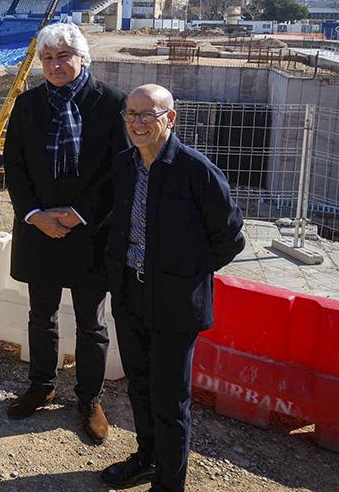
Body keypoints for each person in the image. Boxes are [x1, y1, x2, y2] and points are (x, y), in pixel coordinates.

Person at [99, 84, 245, 492]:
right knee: (139, 386)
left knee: (170, 399)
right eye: (131, 114)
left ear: (171, 119)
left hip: (175, 305)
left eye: (148, 114)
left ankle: (169, 483)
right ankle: (147, 458)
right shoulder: (125, 164)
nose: (137, 123)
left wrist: (186, 275)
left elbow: (231, 238)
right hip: (130, 295)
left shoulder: (197, 171)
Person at [2, 23, 127, 442]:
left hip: (90, 233)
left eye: (63, 57)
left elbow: (117, 169)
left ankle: (89, 398)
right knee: (42, 315)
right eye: (48, 58)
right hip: (40, 231)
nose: (55, 65)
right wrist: (35, 214)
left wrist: (79, 213)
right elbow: (14, 165)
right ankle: (41, 385)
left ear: (82, 58)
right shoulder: (28, 103)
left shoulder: (111, 103)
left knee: (92, 323)